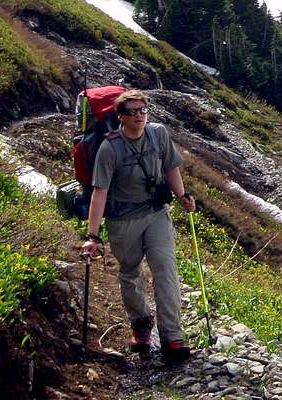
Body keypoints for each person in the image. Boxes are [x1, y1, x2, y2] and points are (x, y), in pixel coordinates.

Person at [80, 90, 197, 359]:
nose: (140, 116)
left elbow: (171, 167)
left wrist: (182, 196)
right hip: (123, 220)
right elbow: (100, 193)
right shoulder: (110, 148)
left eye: (143, 110)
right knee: (130, 272)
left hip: (156, 213)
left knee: (165, 270)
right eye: (133, 112)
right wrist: (93, 236)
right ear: (120, 117)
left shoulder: (159, 134)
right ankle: (142, 323)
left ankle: (172, 337)